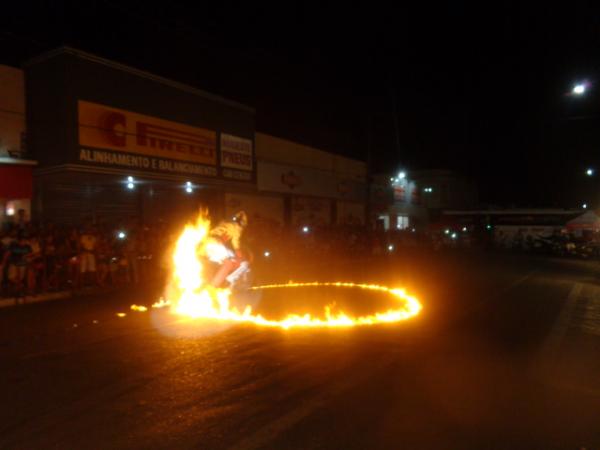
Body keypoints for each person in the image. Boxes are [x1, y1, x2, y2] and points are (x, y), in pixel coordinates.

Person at [208, 211, 250, 288]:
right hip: (215, 244)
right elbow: (235, 242)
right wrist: (239, 254)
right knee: (230, 262)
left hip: (209, 244)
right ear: (241, 223)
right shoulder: (236, 227)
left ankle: (216, 282)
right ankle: (213, 286)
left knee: (230, 257)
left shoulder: (227, 223)